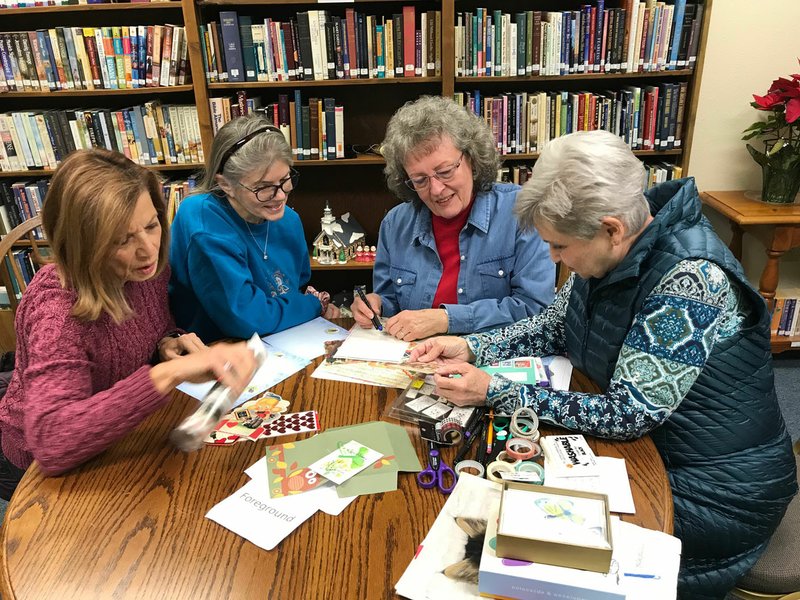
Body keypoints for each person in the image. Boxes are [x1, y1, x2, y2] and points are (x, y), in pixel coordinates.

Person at [410, 130, 798, 599]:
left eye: (559, 246)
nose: (554, 258)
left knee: (529, 544)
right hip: (655, 454)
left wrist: (495, 389)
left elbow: (631, 412)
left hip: (716, 488)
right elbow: (554, 326)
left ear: (612, 228)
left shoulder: (689, 281)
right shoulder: (615, 251)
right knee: (509, 504)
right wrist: (471, 348)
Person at [0, 149, 258, 500]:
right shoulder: (58, 313)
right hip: (39, 473)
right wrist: (168, 375)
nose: (149, 249)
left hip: (118, 437)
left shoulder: (145, 270)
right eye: (122, 239)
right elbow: (50, 442)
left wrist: (169, 344)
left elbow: (148, 329)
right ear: (84, 244)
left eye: (152, 225)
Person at [350, 96, 554, 341]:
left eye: (445, 172)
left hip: (494, 364)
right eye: (420, 180)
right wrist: (376, 306)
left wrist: (445, 319)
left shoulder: (520, 213)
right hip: (416, 361)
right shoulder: (395, 225)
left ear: (472, 159)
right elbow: (391, 302)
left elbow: (535, 310)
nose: (436, 190)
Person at [169, 114, 339, 342]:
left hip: (280, 343)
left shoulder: (288, 220)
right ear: (225, 184)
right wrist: (312, 305)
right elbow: (245, 319)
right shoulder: (201, 220)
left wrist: (299, 306)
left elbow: (297, 283)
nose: (280, 196)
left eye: (286, 179)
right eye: (263, 187)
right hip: (215, 353)